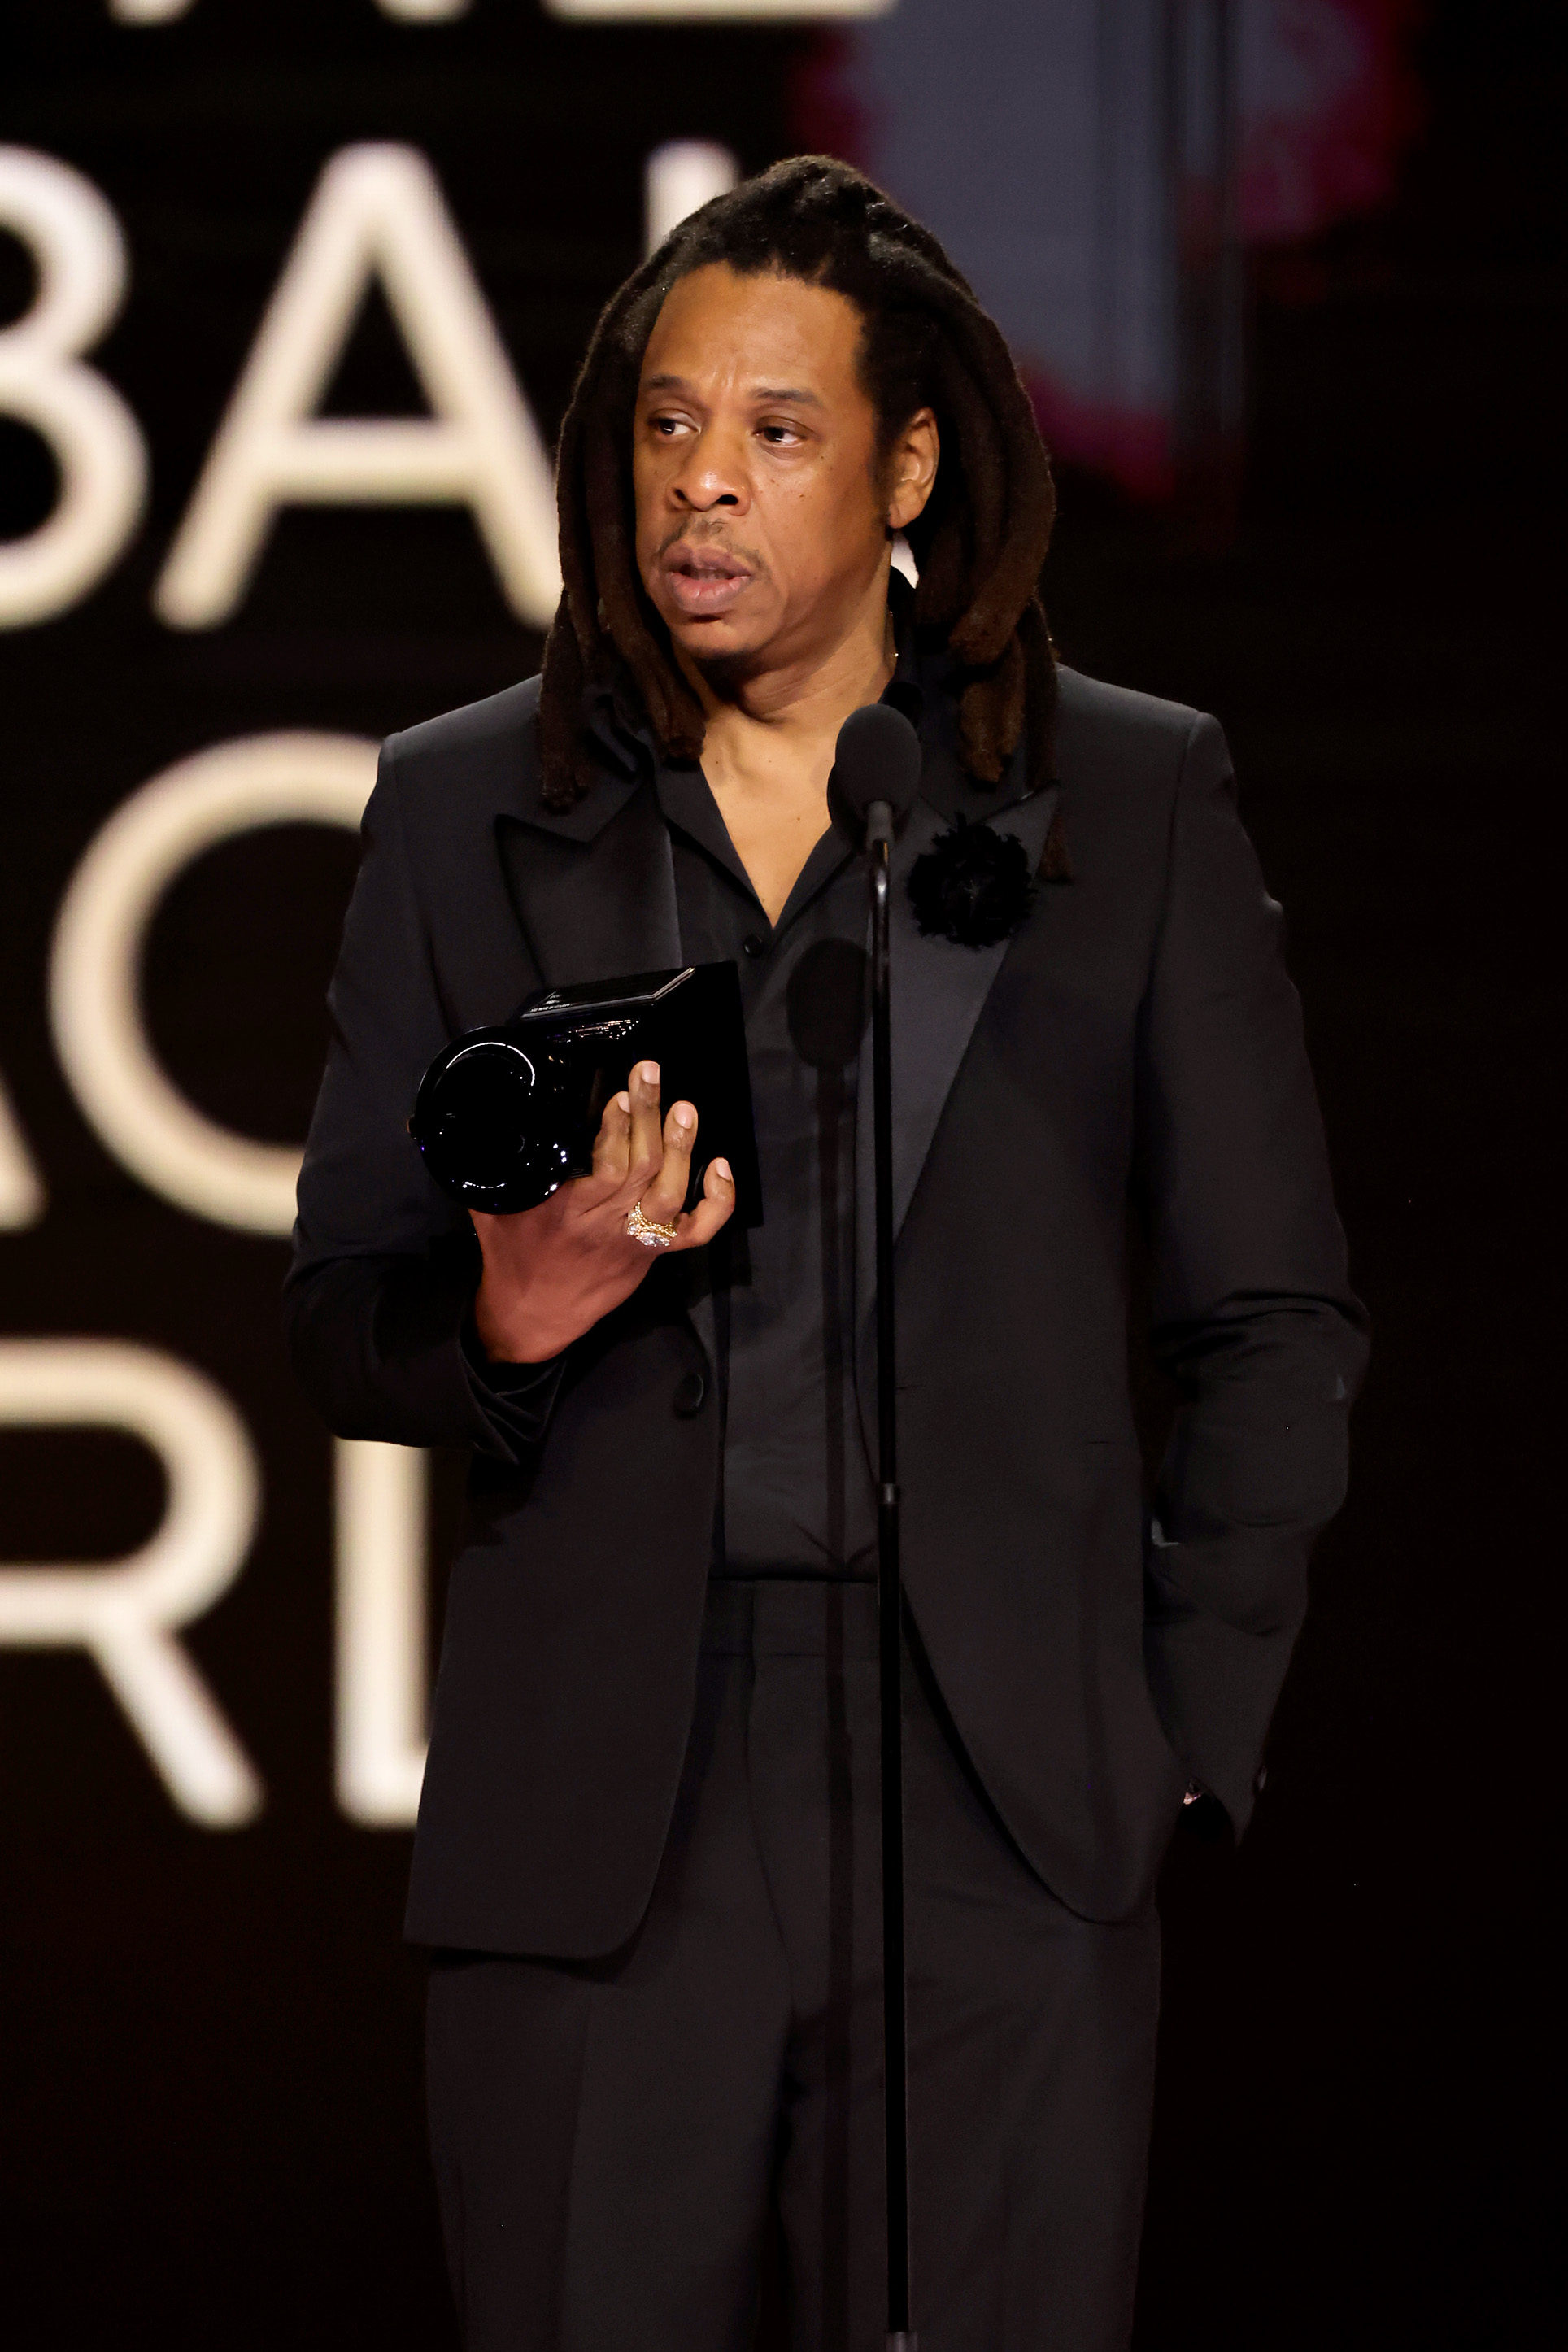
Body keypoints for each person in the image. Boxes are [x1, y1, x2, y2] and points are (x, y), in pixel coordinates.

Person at [286, 158, 1368, 2352]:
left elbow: (1274, 1318)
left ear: (908, 460)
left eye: (775, 430)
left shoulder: (1127, 803)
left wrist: (1164, 1731)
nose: (701, 482)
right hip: (608, 1808)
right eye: (667, 423)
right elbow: (340, 1310)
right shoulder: (464, 805)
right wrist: (511, 1313)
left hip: (1004, 1790)